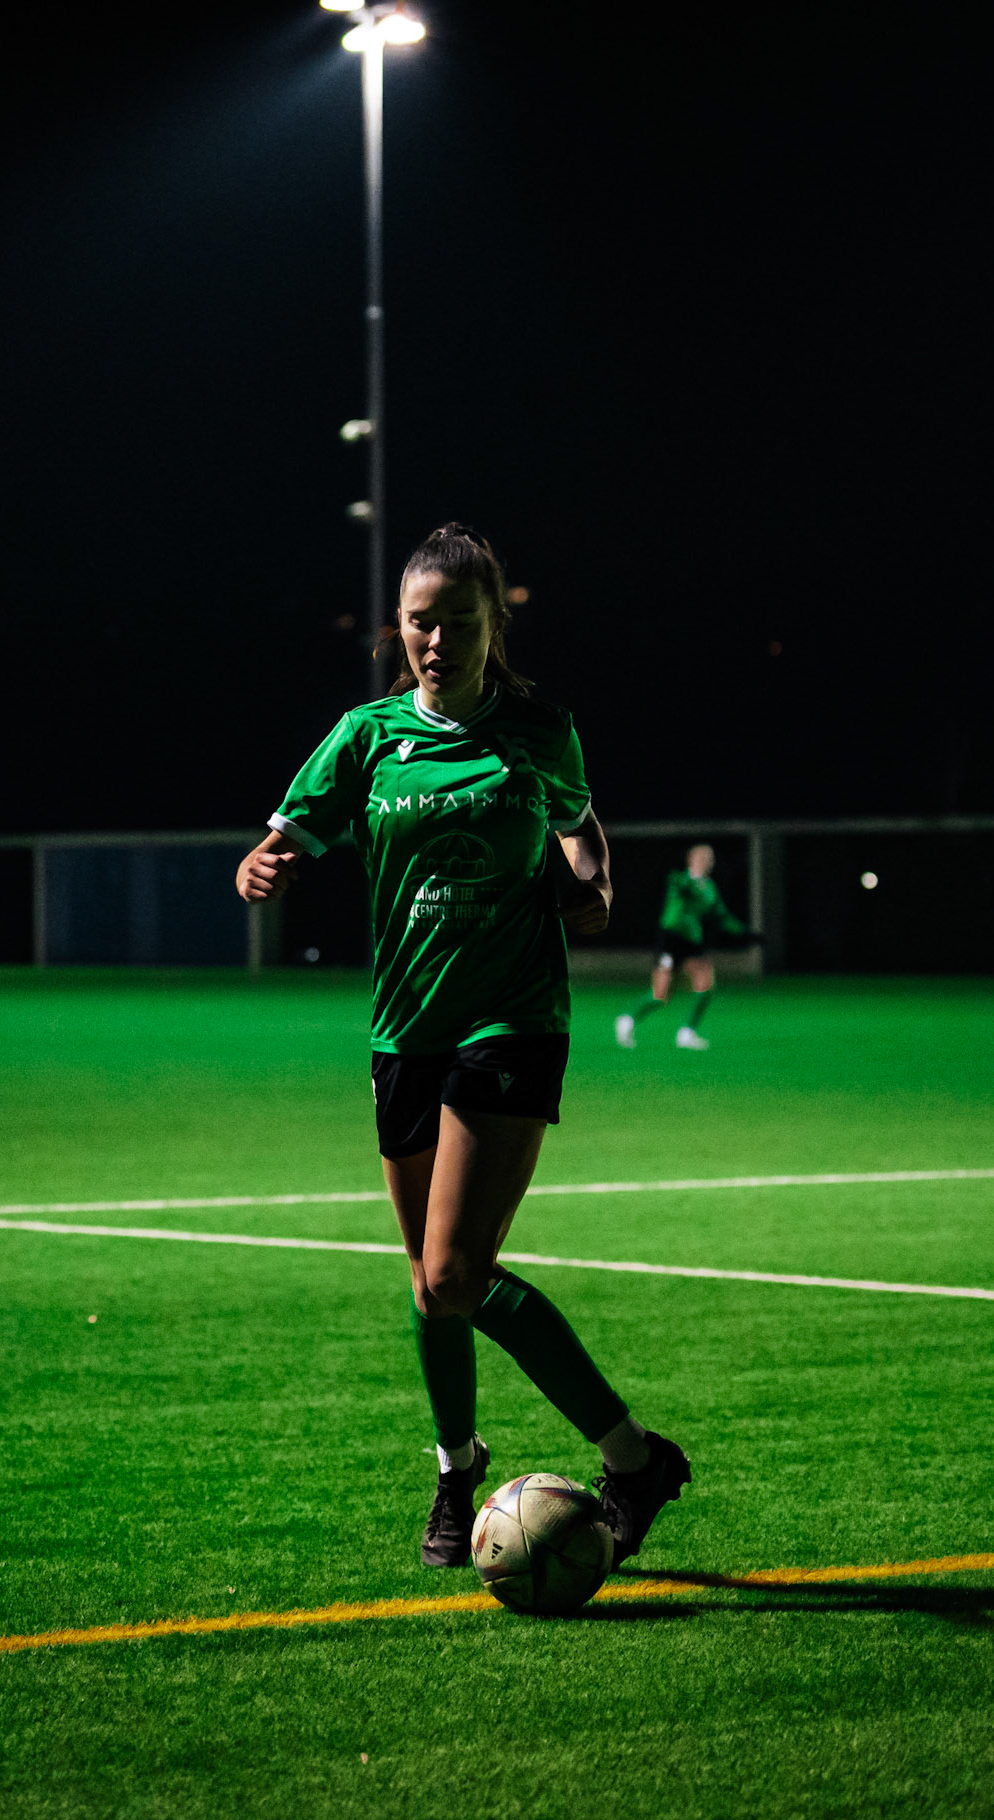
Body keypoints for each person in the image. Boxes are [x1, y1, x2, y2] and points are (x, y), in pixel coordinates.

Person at [236, 524, 690, 1571]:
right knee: (426, 1276)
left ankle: (629, 1454)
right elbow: (288, 837)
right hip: (405, 1028)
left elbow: (582, 827)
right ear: (400, 627)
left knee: (452, 1271)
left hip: (512, 1019)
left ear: (496, 623)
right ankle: (459, 1464)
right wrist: (264, 867)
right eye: (419, 621)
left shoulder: (538, 727)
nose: (436, 639)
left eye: (457, 620)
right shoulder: (366, 737)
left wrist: (596, 884)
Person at [614, 843, 757, 1051]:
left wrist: (744, 933)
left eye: (710, 857)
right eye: (703, 857)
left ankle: (687, 1034)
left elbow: (721, 916)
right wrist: (691, 880)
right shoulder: (681, 880)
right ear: (692, 859)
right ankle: (627, 1020)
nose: (709, 861)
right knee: (660, 995)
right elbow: (677, 885)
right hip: (671, 940)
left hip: (692, 942)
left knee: (706, 985)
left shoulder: (709, 887)